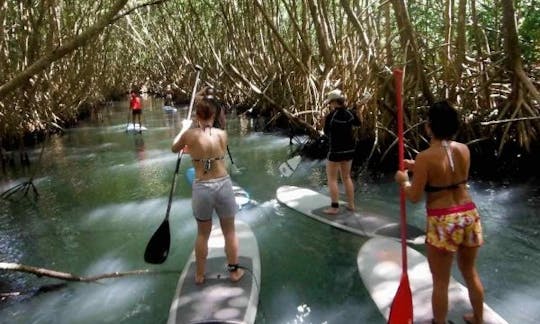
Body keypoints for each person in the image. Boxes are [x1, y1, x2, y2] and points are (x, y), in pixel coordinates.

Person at [394, 101, 484, 324]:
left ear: (429, 126)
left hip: (443, 219)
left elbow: (414, 196)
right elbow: (449, 172)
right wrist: (416, 166)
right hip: (469, 214)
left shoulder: (426, 156)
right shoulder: (464, 149)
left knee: (441, 281)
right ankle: (478, 319)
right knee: (470, 273)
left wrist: (404, 181)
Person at [171, 93, 244, 284]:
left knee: (203, 233)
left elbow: (174, 148)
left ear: (197, 114)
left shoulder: (189, 135)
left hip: (202, 187)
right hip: (223, 184)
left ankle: (200, 275)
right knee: (230, 232)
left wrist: (184, 129)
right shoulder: (222, 134)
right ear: (214, 114)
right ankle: (234, 272)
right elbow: (210, 143)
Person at [321, 89, 361, 214]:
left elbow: (326, 133)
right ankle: (351, 205)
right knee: (347, 177)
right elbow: (358, 123)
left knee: (332, 179)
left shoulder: (330, 116)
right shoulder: (350, 114)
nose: (329, 105)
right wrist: (356, 111)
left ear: (333, 102)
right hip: (349, 150)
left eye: (330, 103)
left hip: (335, 152)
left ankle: (334, 207)